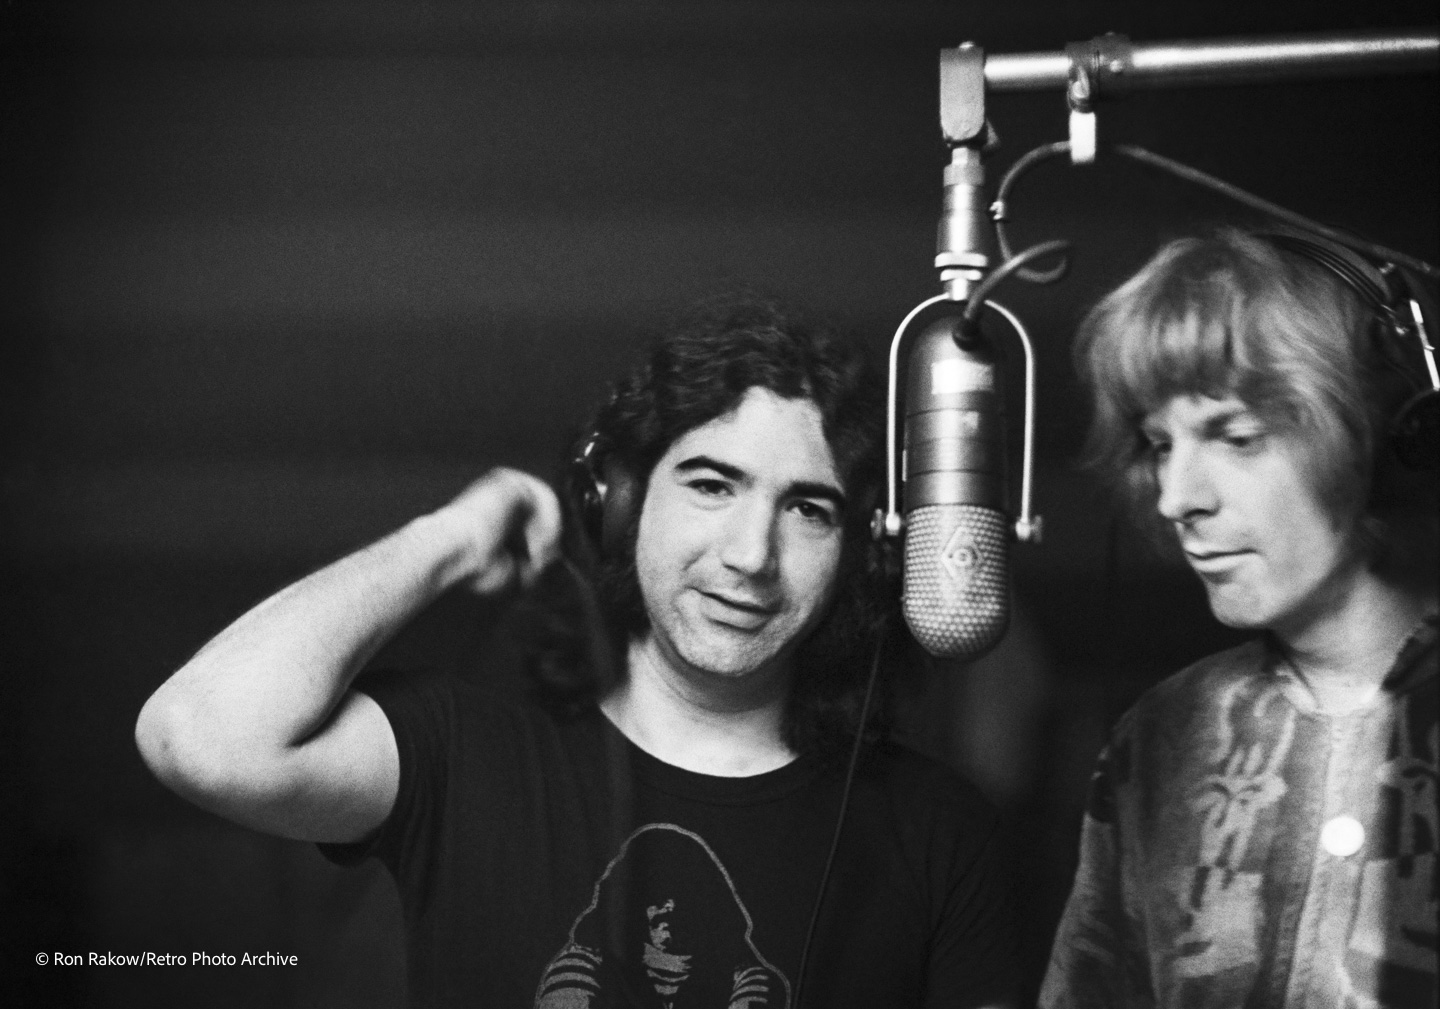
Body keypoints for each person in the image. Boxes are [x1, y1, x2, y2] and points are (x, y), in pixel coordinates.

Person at [136, 296, 1016, 1008]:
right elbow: (197, 735)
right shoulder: (464, 756)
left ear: (860, 551)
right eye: (712, 485)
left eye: (808, 510)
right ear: (621, 506)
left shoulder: (939, 833)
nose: (752, 554)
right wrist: (448, 535)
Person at [1040, 229, 1438, 1008]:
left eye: (1236, 436)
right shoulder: (1157, 738)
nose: (1176, 495)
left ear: (1390, 439)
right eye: (1159, 445)